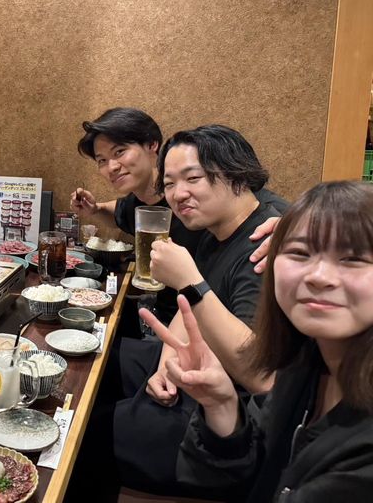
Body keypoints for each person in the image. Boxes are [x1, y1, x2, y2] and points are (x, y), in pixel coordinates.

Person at [68, 125, 282, 499]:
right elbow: (188, 312)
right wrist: (166, 364)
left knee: (84, 437)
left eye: (192, 178)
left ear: (236, 174)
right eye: (169, 184)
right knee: (99, 362)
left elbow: (258, 373)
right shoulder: (215, 231)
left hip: (238, 421)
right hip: (200, 370)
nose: (178, 194)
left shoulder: (264, 245)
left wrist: (190, 282)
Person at [143, 181, 373, 501]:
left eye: (352, 259)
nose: (318, 276)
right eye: (300, 253)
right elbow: (246, 475)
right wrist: (222, 404)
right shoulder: (305, 361)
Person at [70, 107, 285, 325]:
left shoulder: (222, 210)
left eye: (119, 152)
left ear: (152, 145)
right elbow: (117, 211)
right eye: (102, 160)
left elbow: (261, 203)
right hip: (173, 318)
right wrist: (95, 209)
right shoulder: (137, 205)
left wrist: (294, 228)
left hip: (199, 323)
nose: (112, 167)